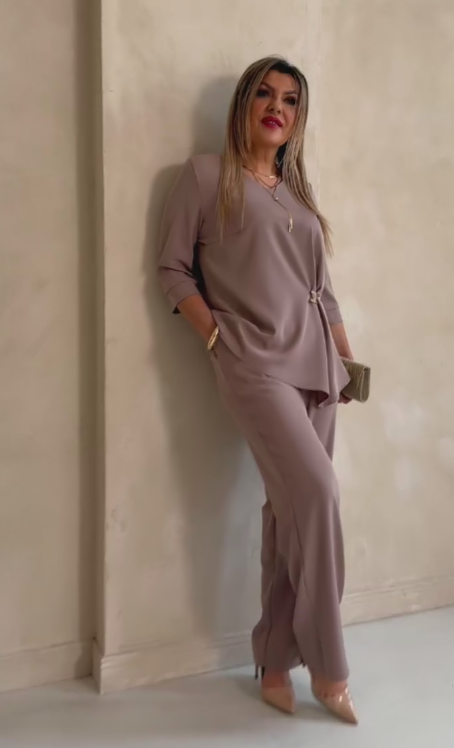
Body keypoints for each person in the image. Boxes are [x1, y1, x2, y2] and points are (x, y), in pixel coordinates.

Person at [158, 56, 358, 725]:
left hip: (318, 368)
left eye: (291, 100)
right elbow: (172, 270)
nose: (278, 107)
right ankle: (329, 667)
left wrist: (346, 359)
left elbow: (323, 291)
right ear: (244, 103)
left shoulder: (297, 194)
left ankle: (274, 660)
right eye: (265, 94)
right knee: (319, 494)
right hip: (255, 363)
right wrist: (217, 337)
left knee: (288, 512)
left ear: (299, 118)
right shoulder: (205, 176)